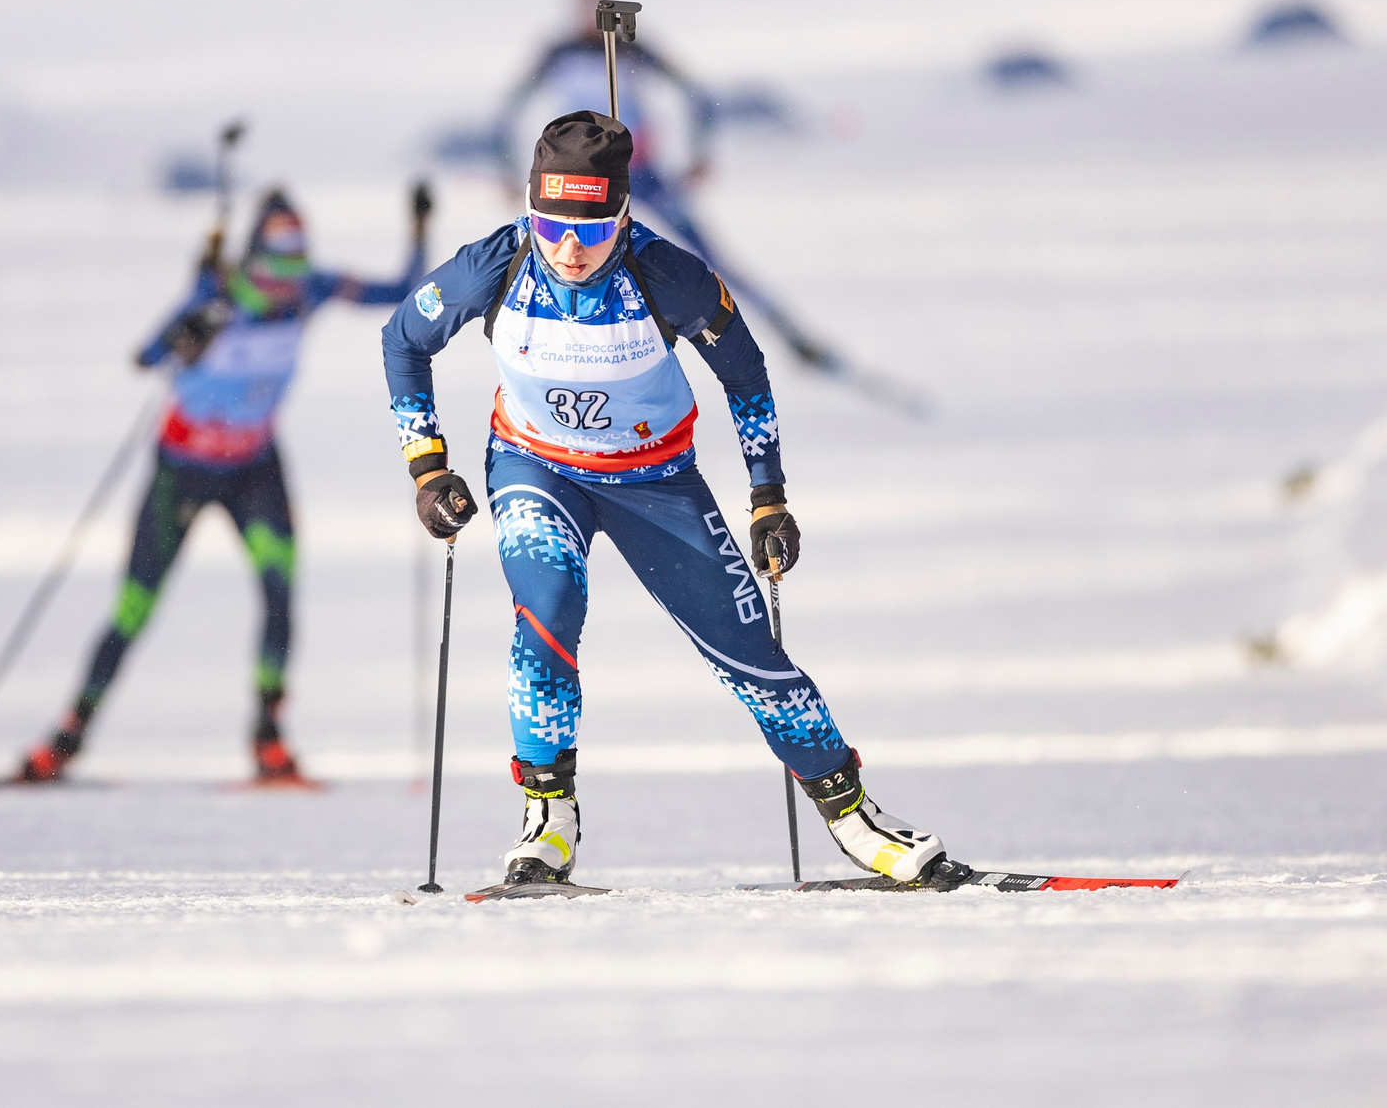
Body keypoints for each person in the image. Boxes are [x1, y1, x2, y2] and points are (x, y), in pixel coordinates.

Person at [379, 111, 963, 888]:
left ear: (623, 211)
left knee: (746, 650)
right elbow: (402, 339)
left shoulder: (668, 274)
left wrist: (768, 497)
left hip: (654, 481)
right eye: (551, 223)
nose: (569, 247)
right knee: (546, 610)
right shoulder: (497, 261)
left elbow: (746, 373)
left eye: (590, 227)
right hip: (536, 468)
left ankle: (854, 817)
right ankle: (547, 816)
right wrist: (428, 466)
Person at [17, 186, 429, 785]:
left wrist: (418, 227)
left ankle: (268, 738)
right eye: (275, 267)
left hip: (254, 467)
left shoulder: (310, 291)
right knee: (136, 607)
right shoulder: (219, 293)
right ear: (253, 259)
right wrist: (191, 328)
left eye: (296, 265)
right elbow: (148, 355)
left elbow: (401, 294)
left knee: (280, 590)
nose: (286, 283)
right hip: (183, 469)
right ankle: (68, 736)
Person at [497, 0, 831, 368]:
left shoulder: (631, 45)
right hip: (584, 184)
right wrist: (512, 174)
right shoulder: (558, 51)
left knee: (709, 260)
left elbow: (697, 95)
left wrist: (699, 155)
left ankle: (789, 336)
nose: (589, 7)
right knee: (565, 264)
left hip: (641, 175)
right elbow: (507, 113)